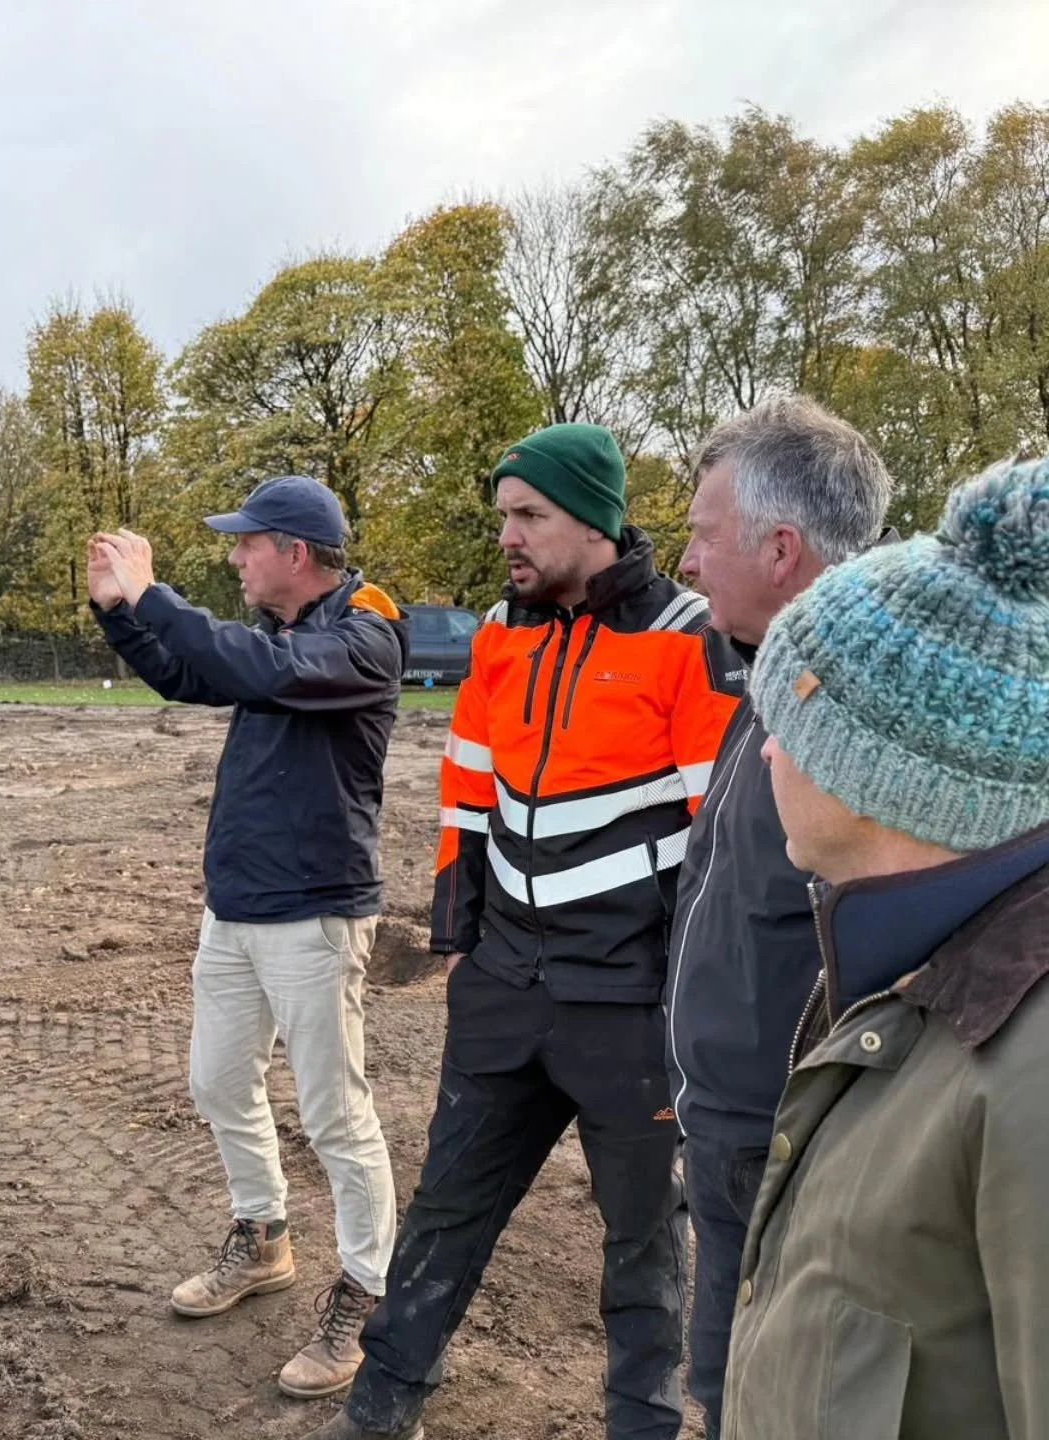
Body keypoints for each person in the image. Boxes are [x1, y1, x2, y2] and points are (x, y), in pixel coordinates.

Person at [307, 423, 744, 1440]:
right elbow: (467, 780)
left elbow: (714, 843)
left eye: (528, 516)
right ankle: (380, 1408)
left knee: (644, 1242)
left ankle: (642, 1423)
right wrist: (459, 926)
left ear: (593, 519)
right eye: (503, 513)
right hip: (505, 987)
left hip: (629, 1006)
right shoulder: (505, 634)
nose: (507, 534)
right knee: (445, 1211)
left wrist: (680, 992)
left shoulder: (688, 638)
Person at [721, 456, 1049, 1440]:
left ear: (877, 773)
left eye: (787, 723)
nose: (767, 751)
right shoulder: (907, 965)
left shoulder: (1027, 1073)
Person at [88, 476, 406, 1400]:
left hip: (315, 912)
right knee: (217, 1081)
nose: (234, 557)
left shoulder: (364, 632)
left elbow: (258, 672)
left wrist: (154, 593)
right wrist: (122, 616)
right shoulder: (280, 634)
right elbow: (195, 672)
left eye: (245, 543)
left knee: (335, 1113)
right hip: (238, 907)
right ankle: (263, 1237)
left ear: (295, 553)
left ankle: (366, 1290)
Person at [663, 397, 892, 1437]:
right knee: (722, 1385)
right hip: (733, 1127)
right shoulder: (770, 681)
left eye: (705, 537)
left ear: (781, 548)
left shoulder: (863, 716)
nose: (689, 562)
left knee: (777, 1400)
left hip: (792, 1150)